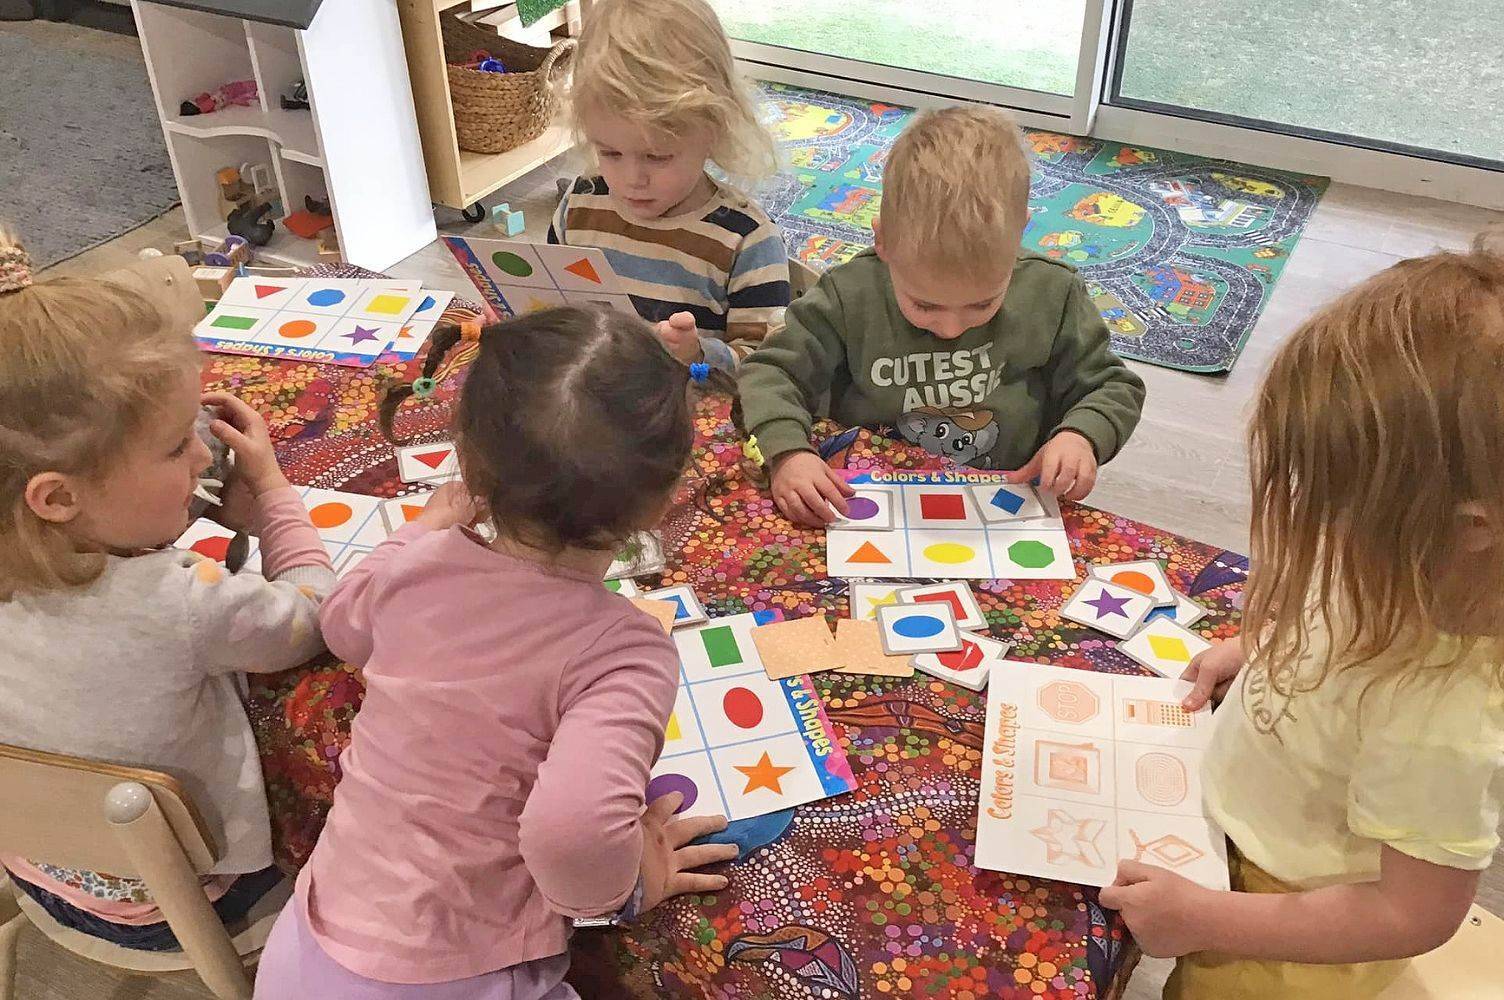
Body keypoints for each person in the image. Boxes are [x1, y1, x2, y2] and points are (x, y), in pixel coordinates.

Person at [1100, 240, 1504, 998]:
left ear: (1469, 523)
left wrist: (1210, 920)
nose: (1314, 519)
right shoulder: (1416, 561)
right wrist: (1260, 651)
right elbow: (1335, 611)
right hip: (1240, 844)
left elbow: (1411, 913)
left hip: (1289, 940)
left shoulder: (1450, 725)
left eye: (1335, 498)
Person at [253, 307, 738, 998]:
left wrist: (418, 533)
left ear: (470, 464)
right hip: (460, 980)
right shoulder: (624, 649)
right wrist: (632, 887)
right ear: (658, 504)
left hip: (304, 954)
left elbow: (341, 624)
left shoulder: (416, 564)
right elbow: (572, 834)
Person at [0, 230, 333, 948]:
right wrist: (274, 494)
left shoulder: (37, 541)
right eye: (176, 444)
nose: (203, 453)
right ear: (56, 498)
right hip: (189, 901)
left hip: (43, 874)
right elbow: (311, 616)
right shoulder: (182, 601)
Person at [736, 105, 1146, 527]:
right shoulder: (849, 295)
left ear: (1020, 231)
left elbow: (1112, 387)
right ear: (883, 241)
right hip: (871, 501)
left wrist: (1081, 436)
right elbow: (770, 373)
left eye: (983, 304)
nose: (951, 329)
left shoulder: (1051, 293)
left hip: (1003, 501)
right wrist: (788, 453)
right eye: (925, 305)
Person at [552, 0, 790, 373]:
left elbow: (770, 367)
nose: (633, 179)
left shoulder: (745, 241)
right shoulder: (581, 204)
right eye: (610, 153)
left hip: (692, 417)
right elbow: (553, 308)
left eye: (657, 157)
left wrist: (698, 355)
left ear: (714, 130)